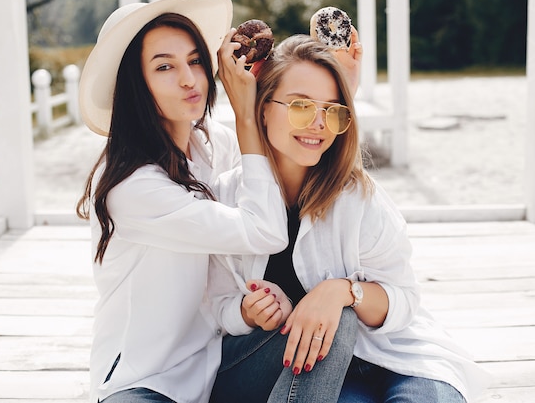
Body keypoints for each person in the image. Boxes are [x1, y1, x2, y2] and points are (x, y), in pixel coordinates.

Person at [207, 34, 491, 403]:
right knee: (339, 327)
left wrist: (343, 291)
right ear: (262, 108)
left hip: (392, 357)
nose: (318, 124)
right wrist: (245, 312)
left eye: (333, 110)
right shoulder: (226, 197)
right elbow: (211, 308)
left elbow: (404, 299)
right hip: (298, 369)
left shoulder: (359, 196)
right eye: (300, 106)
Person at [75, 0, 288, 403]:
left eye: (194, 61)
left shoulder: (212, 145)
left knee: (320, 326)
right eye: (165, 67)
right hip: (147, 381)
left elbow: (287, 161)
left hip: (216, 362)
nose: (190, 79)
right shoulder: (131, 187)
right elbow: (265, 231)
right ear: (135, 85)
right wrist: (245, 115)